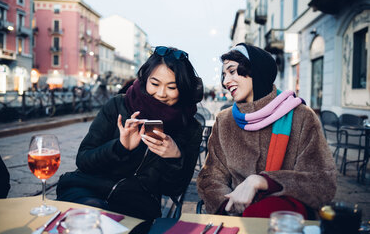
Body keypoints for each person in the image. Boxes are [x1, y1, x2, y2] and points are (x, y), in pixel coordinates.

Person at [57, 46, 203, 220]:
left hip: (137, 204)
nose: (161, 93)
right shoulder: (119, 105)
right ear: (145, 79)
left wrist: (174, 157)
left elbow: (173, 190)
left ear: (184, 88)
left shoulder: (190, 128)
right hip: (87, 188)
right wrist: (120, 147)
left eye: (172, 87)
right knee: (94, 216)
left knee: (113, 222)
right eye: (155, 84)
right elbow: (83, 160)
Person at [197, 43, 337, 219]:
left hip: (286, 221)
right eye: (224, 75)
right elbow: (210, 177)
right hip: (236, 218)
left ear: (256, 70)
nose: (225, 82)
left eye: (232, 71)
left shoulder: (301, 116)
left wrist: (263, 181)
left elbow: (322, 182)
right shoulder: (224, 121)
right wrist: (229, 205)